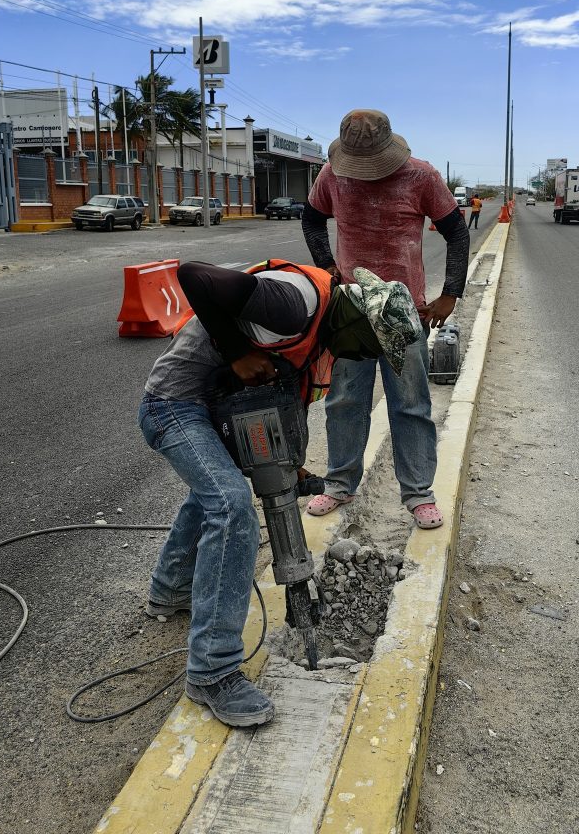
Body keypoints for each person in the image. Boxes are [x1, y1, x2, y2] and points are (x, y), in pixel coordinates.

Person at [138, 258, 421, 728]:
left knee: (215, 492)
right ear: (357, 324)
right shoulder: (294, 306)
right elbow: (195, 276)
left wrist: (289, 463)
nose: (361, 358)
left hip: (217, 406)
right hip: (174, 405)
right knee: (231, 506)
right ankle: (211, 672)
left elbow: (281, 402)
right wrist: (235, 353)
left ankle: (170, 590)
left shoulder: (321, 334)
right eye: (369, 347)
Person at [301, 108, 470, 531]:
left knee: (410, 403)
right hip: (351, 311)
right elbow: (312, 219)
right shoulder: (332, 175)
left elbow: (456, 231)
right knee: (344, 401)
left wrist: (450, 294)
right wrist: (327, 266)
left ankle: (418, 493)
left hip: (404, 312)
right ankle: (340, 484)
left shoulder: (421, 176)